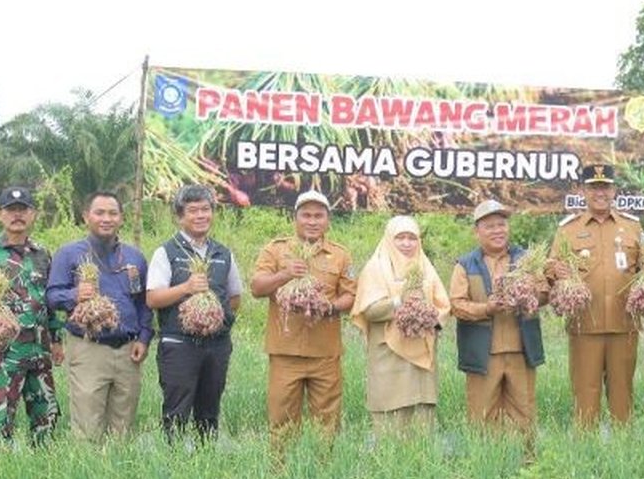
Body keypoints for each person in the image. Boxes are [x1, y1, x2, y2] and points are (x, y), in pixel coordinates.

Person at [46, 190, 153, 440]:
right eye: (100, 212)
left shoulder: (134, 258)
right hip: (88, 348)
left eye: (113, 213)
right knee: (87, 425)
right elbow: (51, 297)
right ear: (86, 217)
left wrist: (144, 338)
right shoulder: (70, 254)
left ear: (121, 218)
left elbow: (144, 303)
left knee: (123, 426)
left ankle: (118, 475)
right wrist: (75, 295)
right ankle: (88, 474)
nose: (107, 218)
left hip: (128, 351)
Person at [0, 187, 65, 442]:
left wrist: (57, 338)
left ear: (33, 214)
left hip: (39, 352)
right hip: (2, 354)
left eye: (23, 210)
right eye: (10, 210)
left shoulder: (43, 254)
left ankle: (43, 474)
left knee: (46, 421)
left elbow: (49, 300)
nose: (17, 215)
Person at [251, 190, 356, 436]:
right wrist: (285, 275)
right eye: (306, 215)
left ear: (328, 220)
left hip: (325, 354)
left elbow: (351, 296)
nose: (312, 221)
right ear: (294, 218)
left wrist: (329, 308)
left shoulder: (340, 255)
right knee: (281, 423)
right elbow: (256, 287)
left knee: (328, 424)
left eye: (318, 216)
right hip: (285, 353)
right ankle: (281, 473)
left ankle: (323, 473)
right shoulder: (275, 251)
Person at [549, 164, 644, 427]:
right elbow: (550, 270)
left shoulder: (633, 227)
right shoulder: (567, 229)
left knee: (622, 395)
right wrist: (555, 271)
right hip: (584, 326)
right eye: (593, 187)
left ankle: (623, 455)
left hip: (624, 325)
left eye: (605, 187)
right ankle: (584, 456)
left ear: (614, 190)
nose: (600, 193)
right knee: (585, 396)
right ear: (582, 191)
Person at [146, 185, 243, 441]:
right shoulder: (166, 252)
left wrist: (212, 320)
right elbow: (153, 298)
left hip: (217, 346)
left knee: (209, 413)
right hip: (179, 345)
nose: (201, 215)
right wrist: (186, 288)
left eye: (206, 209)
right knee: (176, 413)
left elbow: (234, 298)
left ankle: (206, 467)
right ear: (180, 216)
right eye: (193, 211)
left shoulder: (223, 253)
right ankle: (176, 468)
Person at [450, 200, 545, 431]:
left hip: (521, 351)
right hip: (483, 354)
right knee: (481, 417)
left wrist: (529, 294)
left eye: (501, 225)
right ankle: (486, 465)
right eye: (490, 226)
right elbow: (456, 305)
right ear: (477, 231)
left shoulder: (526, 260)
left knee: (524, 415)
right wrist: (486, 308)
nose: (497, 231)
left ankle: (527, 465)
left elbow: (545, 293)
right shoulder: (465, 265)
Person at [351, 215, 451, 431]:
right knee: (389, 421)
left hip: (422, 358)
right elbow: (368, 310)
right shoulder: (375, 267)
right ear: (389, 239)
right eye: (400, 238)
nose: (407, 244)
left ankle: (420, 464)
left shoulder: (425, 267)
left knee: (421, 421)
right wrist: (399, 302)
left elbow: (443, 306)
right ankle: (390, 464)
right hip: (388, 356)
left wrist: (427, 320)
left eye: (412, 238)